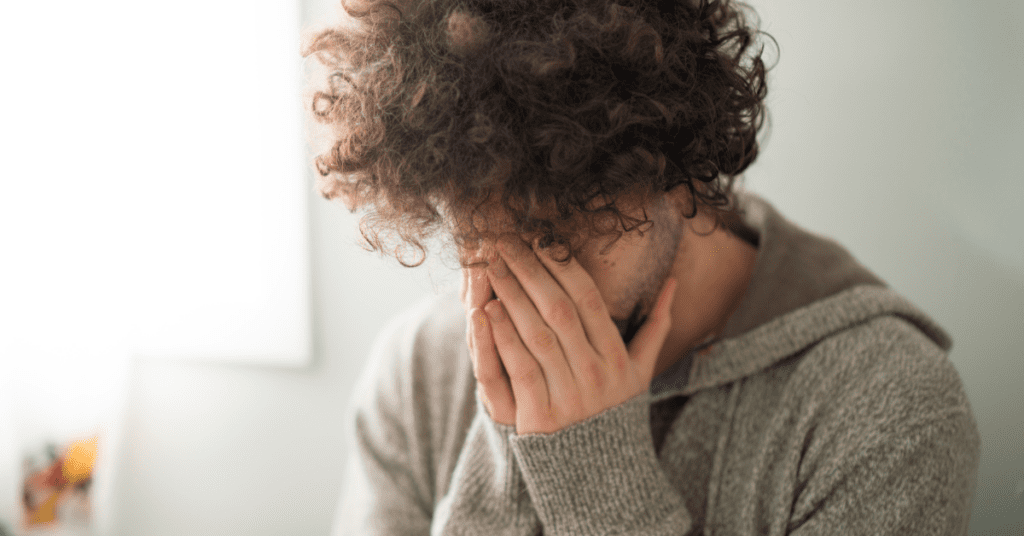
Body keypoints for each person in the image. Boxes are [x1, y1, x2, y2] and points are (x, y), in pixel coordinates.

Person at [303, 0, 981, 534]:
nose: (528, 290)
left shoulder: (886, 409)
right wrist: (505, 461)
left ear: (677, 169)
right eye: (483, 233)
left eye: (558, 230)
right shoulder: (417, 372)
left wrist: (597, 488)